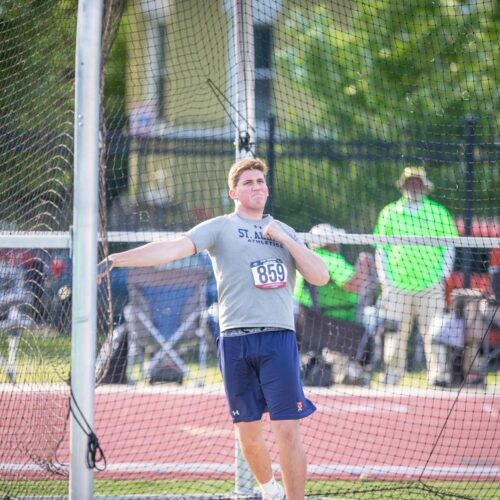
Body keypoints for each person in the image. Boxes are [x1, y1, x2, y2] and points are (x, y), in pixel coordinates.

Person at [98, 158, 329, 500]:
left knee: (287, 430)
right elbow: (172, 248)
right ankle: (269, 491)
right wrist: (117, 258)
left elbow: (320, 276)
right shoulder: (220, 227)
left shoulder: (284, 231)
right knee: (248, 433)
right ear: (233, 192)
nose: (257, 187)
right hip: (235, 340)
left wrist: (285, 238)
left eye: (261, 182)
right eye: (248, 182)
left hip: (278, 339)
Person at [373, 166, 458, 386]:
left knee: (435, 333)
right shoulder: (389, 212)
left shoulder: (438, 212)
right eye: (410, 182)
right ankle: (391, 376)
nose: (414, 186)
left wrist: (442, 277)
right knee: (395, 335)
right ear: (404, 185)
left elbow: (449, 246)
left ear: (424, 186)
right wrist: (386, 280)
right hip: (397, 285)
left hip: (430, 285)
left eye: (417, 182)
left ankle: (438, 376)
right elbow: (381, 248)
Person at [294, 224, 378, 384]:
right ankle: (357, 372)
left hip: (308, 320)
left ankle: (346, 370)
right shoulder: (331, 259)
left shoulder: (305, 257)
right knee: (373, 318)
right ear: (329, 242)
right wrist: (363, 266)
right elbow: (352, 285)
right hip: (336, 320)